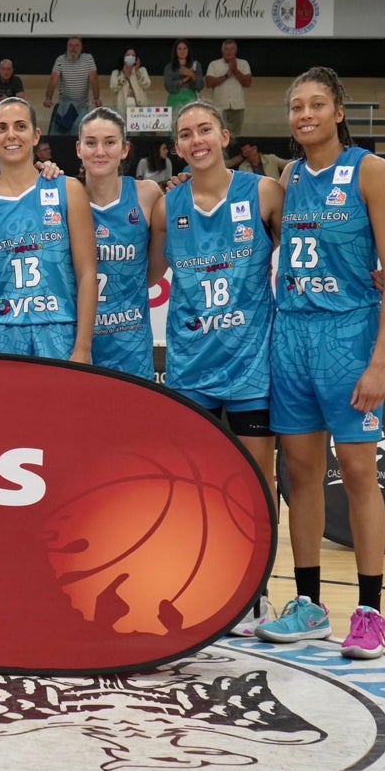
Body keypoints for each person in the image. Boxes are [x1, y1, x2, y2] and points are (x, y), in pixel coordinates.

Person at [254, 67, 385, 658]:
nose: (305, 114)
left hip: (350, 334)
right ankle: (307, 605)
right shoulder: (288, 177)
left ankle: (369, 611)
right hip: (293, 335)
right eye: (296, 106)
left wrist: (380, 361)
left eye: (316, 104)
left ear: (338, 111)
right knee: (300, 476)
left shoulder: (371, 172)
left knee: (358, 474)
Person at [149, 100, 281, 504]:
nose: (196, 140)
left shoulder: (264, 193)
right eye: (186, 134)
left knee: (258, 483)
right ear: (177, 147)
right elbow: (150, 276)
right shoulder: (166, 206)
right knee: (193, 483)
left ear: (224, 137)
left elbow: (303, 256)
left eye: (204, 130)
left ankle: (263, 568)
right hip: (191, 367)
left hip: (251, 367)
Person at [0, 97, 98, 361]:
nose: (11, 135)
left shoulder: (67, 190)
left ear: (35, 136)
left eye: (20, 126)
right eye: (1, 128)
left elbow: (87, 275)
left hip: (58, 334)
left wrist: (83, 348)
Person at [76, 107, 165, 379]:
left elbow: (152, 275)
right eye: (91, 143)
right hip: (78, 344)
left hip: (131, 345)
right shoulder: (65, 196)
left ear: (125, 149)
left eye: (110, 142)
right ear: (79, 149)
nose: (100, 151)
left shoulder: (147, 195)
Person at [43, 37, 100, 135]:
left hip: (82, 105)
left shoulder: (88, 59)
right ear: (66, 47)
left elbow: (94, 79)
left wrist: (96, 98)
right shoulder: (60, 59)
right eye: (70, 45)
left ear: (81, 48)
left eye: (76, 45)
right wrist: (48, 98)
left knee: (79, 134)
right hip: (64, 105)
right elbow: (53, 79)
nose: (73, 48)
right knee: (57, 135)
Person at [205, 39, 253, 137]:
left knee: (235, 137)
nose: (229, 52)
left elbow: (247, 83)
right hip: (219, 107)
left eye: (232, 49)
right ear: (222, 51)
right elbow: (209, 83)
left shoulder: (243, 63)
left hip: (238, 107)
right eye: (226, 49)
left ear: (236, 51)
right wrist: (226, 76)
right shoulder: (214, 64)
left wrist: (235, 71)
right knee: (219, 136)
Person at [163, 39, 204, 118]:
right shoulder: (169, 67)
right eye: (179, 49)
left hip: (191, 99)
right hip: (174, 100)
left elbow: (200, 86)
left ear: (188, 50)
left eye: (185, 48)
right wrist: (184, 80)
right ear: (175, 51)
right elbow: (168, 86)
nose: (182, 51)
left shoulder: (195, 65)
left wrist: (192, 75)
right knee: (174, 125)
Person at [109, 48, 151, 116]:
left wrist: (137, 72)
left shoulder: (142, 70)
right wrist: (125, 76)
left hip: (139, 107)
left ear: (136, 58)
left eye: (133, 55)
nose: (130, 57)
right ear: (124, 57)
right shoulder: (116, 72)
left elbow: (147, 84)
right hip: (122, 107)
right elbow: (113, 88)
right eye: (128, 55)